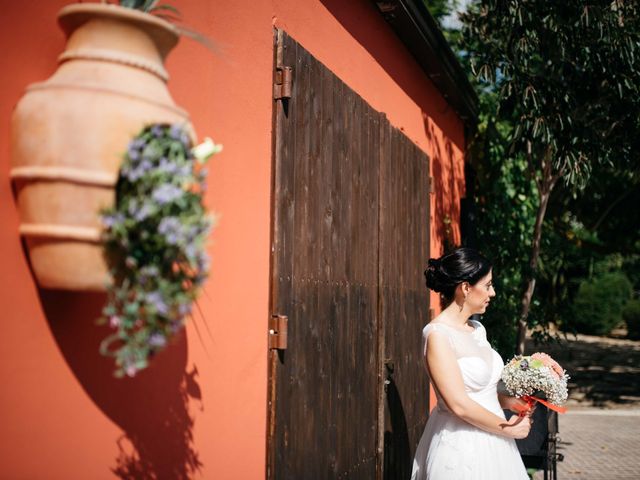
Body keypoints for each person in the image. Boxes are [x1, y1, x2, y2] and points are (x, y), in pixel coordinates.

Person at [411, 247, 533, 480]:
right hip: (462, 446)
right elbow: (458, 404)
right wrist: (507, 427)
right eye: (487, 285)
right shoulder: (438, 335)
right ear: (466, 288)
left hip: (495, 444)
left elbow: (478, 390)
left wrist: (508, 402)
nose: (493, 292)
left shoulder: (477, 330)